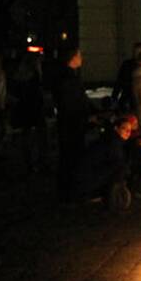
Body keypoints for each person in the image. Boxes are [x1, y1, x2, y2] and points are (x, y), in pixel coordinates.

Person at [53, 47, 94, 202]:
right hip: (72, 123)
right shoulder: (68, 79)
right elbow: (73, 102)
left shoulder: (66, 76)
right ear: (73, 58)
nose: (81, 58)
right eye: (79, 55)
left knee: (69, 155)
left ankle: (69, 190)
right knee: (71, 155)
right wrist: (86, 116)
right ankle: (70, 191)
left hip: (71, 122)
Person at [74, 114, 135, 200]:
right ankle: (104, 192)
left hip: (89, 173)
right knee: (121, 167)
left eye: (130, 130)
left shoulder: (112, 138)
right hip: (88, 177)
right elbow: (116, 161)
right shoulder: (113, 142)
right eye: (124, 129)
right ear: (116, 128)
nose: (128, 132)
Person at [10, 50, 48, 174]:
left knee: (27, 136)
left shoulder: (20, 76)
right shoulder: (34, 76)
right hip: (34, 108)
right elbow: (37, 93)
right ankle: (39, 162)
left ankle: (29, 162)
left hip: (24, 108)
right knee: (40, 136)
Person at [111, 42, 141, 112]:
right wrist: (114, 96)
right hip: (130, 95)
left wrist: (114, 96)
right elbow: (119, 81)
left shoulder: (128, 65)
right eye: (135, 52)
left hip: (132, 96)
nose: (136, 54)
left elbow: (119, 81)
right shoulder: (128, 65)